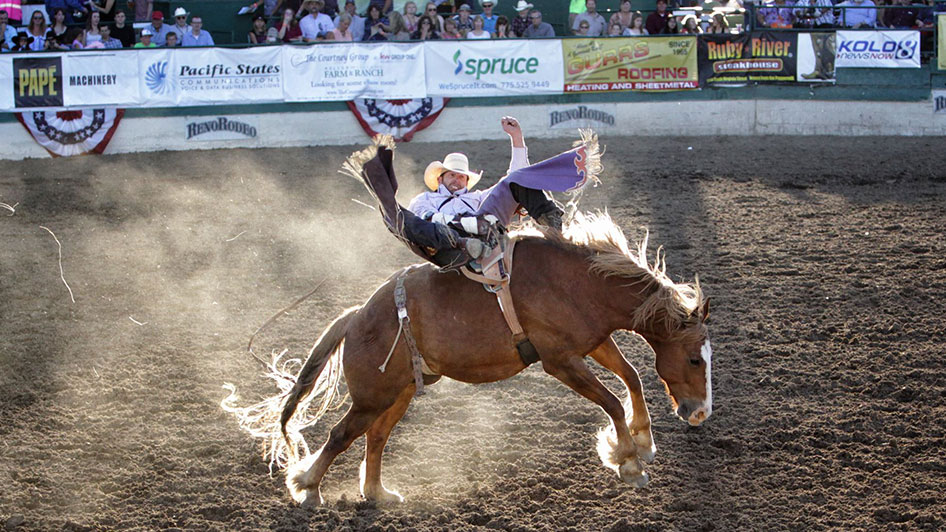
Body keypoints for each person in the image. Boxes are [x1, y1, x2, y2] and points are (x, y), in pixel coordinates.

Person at [382, 117, 565, 267]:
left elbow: (516, 175)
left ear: (467, 182)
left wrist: (516, 138)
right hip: (447, 242)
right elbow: (423, 220)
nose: (456, 179)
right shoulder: (425, 199)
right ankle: (468, 241)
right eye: (452, 175)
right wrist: (467, 224)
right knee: (426, 223)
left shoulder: (476, 198)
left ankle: (551, 221)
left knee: (517, 180)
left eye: (461, 177)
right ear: (440, 179)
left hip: (484, 233)